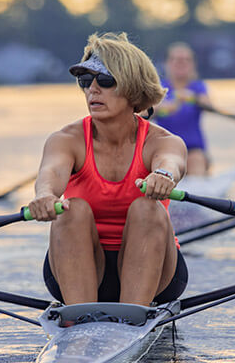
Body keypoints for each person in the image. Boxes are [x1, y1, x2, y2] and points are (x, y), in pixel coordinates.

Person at [28, 32, 189, 306]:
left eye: (104, 80)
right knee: (70, 209)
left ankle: (133, 313)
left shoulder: (163, 141)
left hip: (155, 270)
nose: (92, 89)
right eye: (85, 81)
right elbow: (50, 174)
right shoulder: (66, 140)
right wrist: (44, 195)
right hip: (80, 266)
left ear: (133, 88)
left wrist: (163, 176)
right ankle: (80, 315)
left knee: (148, 207)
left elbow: (171, 163)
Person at [153, 42, 214, 176]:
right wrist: (167, 107)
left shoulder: (198, 87)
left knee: (195, 159)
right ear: (167, 63)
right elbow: (145, 112)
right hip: (165, 150)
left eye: (186, 60)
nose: (181, 63)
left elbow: (209, 106)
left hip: (193, 150)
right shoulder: (158, 88)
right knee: (168, 162)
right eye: (176, 60)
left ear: (193, 65)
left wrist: (193, 99)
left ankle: (197, 186)